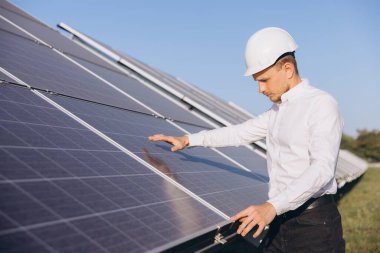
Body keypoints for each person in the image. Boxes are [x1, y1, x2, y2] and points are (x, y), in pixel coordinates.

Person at [149, 27, 345, 252]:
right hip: (280, 221)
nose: (260, 89)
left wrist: (272, 207)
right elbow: (237, 133)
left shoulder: (320, 104)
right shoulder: (277, 112)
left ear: (288, 69)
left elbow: (322, 169)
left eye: (264, 80)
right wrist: (187, 140)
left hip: (313, 225)